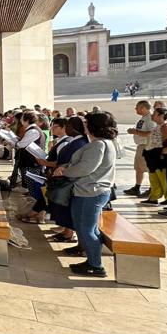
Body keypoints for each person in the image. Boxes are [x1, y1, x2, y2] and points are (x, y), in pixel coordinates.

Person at [53, 111, 118, 277]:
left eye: (87, 123)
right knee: (88, 228)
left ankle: (96, 265)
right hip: (91, 191)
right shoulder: (104, 143)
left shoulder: (98, 145)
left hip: (90, 192)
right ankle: (92, 260)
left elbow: (85, 168)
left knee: (86, 229)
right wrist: (67, 166)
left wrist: (64, 171)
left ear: (94, 126)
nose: (85, 126)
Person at [43, 116, 88, 247]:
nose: (66, 128)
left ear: (73, 128)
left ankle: (69, 233)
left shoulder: (80, 142)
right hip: (63, 176)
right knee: (62, 207)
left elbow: (73, 161)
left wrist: (62, 169)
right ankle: (66, 231)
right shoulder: (75, 140)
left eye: (68, 126)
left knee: (66, 207)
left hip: (69, 179)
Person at [123, 100, 154, 197]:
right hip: (141, 145)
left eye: (137, 107)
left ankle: (152, 188)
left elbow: (151, 133)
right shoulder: (144, 118)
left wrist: (135, 132)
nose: (135, 109)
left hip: (146, 145)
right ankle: (137, 187)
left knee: (148, 168)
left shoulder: (150, 118)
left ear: (143, 108)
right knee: (139, 167)